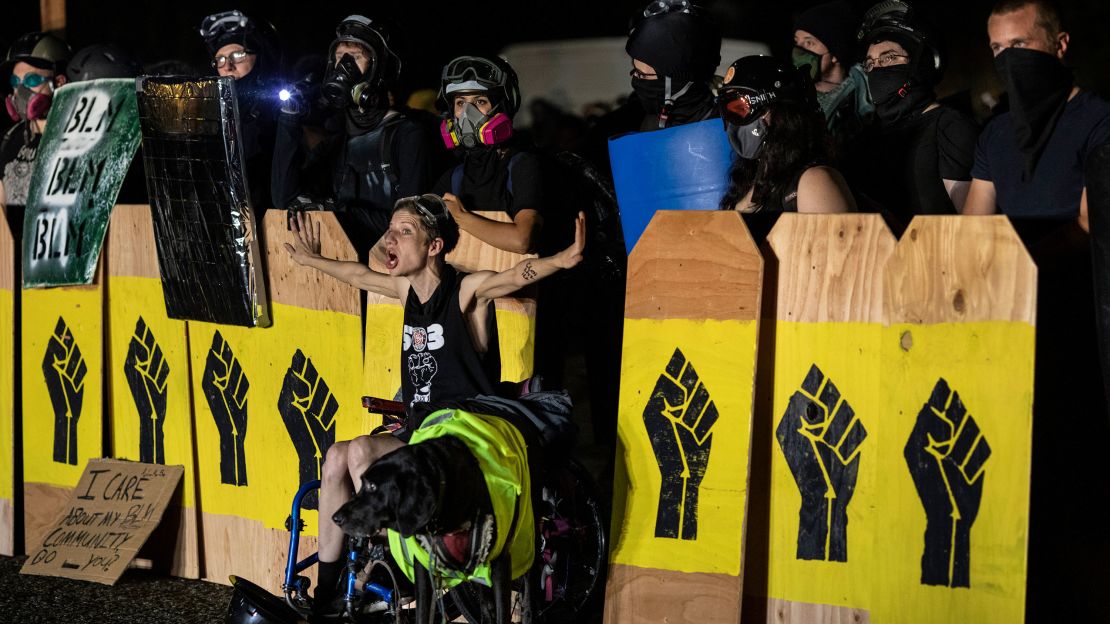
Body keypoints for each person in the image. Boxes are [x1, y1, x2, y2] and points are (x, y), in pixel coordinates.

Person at [283, 195, 585, 612]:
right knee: (335, 457)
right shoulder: (405, 289)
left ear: (434, 246)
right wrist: (310, 260)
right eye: (390, 229)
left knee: (359, 451)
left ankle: (402, 565)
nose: (391, 237)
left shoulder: (465, 292)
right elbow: (355, 274)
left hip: (460, 436)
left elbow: (516, 274)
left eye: (404, 231)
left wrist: (562, 259)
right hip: (419, 426)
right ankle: (328, 594)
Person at [271, 14, 432, 258]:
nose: (343, 67)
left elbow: (409, 223)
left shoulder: (407, 135)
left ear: (380, 68)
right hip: (343, 272)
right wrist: (288, 119)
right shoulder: (338, 140)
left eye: (355, 57)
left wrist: (336, 211)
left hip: (389, 275)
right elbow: (285, 200)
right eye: (339, 58)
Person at [963, 0, 1110, 227]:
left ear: (1060, 45)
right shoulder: (994, 134)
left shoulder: (1100, 121)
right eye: (998, 48)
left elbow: (1092, 227)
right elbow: (973, 228)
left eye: (1019, 44)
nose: (1008, 59)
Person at [852, 0, 978, 225]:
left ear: (921, 64)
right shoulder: (867, 137)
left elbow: (973, 226)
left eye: (889, 57)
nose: (877, 69)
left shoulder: (949, 127)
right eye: (870, 64)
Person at [432, 55, 543, 254]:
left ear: (504, 108)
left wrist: (461, 217)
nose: (467, 113)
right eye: (460, 103)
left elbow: (523, 241)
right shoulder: (454, 177)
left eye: (480, 101)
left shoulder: (524, 164)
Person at [717, 55, 855, 213]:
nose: (734, 122)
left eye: (741, 109)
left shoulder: (814, 182)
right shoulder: (748, 184)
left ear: (780, 112)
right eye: (728, 110)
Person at [199, 9, 282, 211]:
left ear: (258, 56)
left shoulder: (280, 108)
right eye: (219, 59)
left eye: (237, 54)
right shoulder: (209, 113)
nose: (227, 66)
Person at [624, 0, 721, 131]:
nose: (635, 80)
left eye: (642, 74)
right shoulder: (645, 119)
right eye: (635, 71)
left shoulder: (728, 127)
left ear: (677, 80)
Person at [792, 0, 874, 153]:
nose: (799, 51)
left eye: (809, 43)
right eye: (797, 42)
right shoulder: (793, 93)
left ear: (835, 53)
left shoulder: (865, 95)